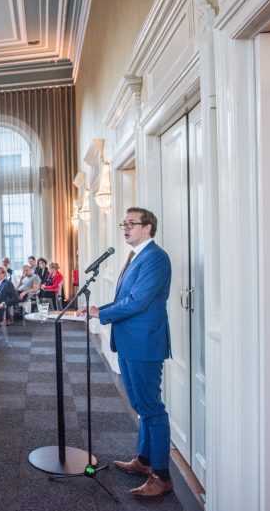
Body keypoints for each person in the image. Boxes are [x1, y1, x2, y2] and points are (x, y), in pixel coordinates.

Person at [78, 207, 173, 498]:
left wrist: (99, 313)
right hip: (131, 342)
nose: (125, 228)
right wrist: (98, 310)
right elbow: (124, 299)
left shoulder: (155, 257)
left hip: (145, 344)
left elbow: (137, 302)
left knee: (152, 409)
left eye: (131, 224)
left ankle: (162, 475)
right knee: (141, 406)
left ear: (148, 227)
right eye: (124, 223)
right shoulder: (136, 257)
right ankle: (144, 461)